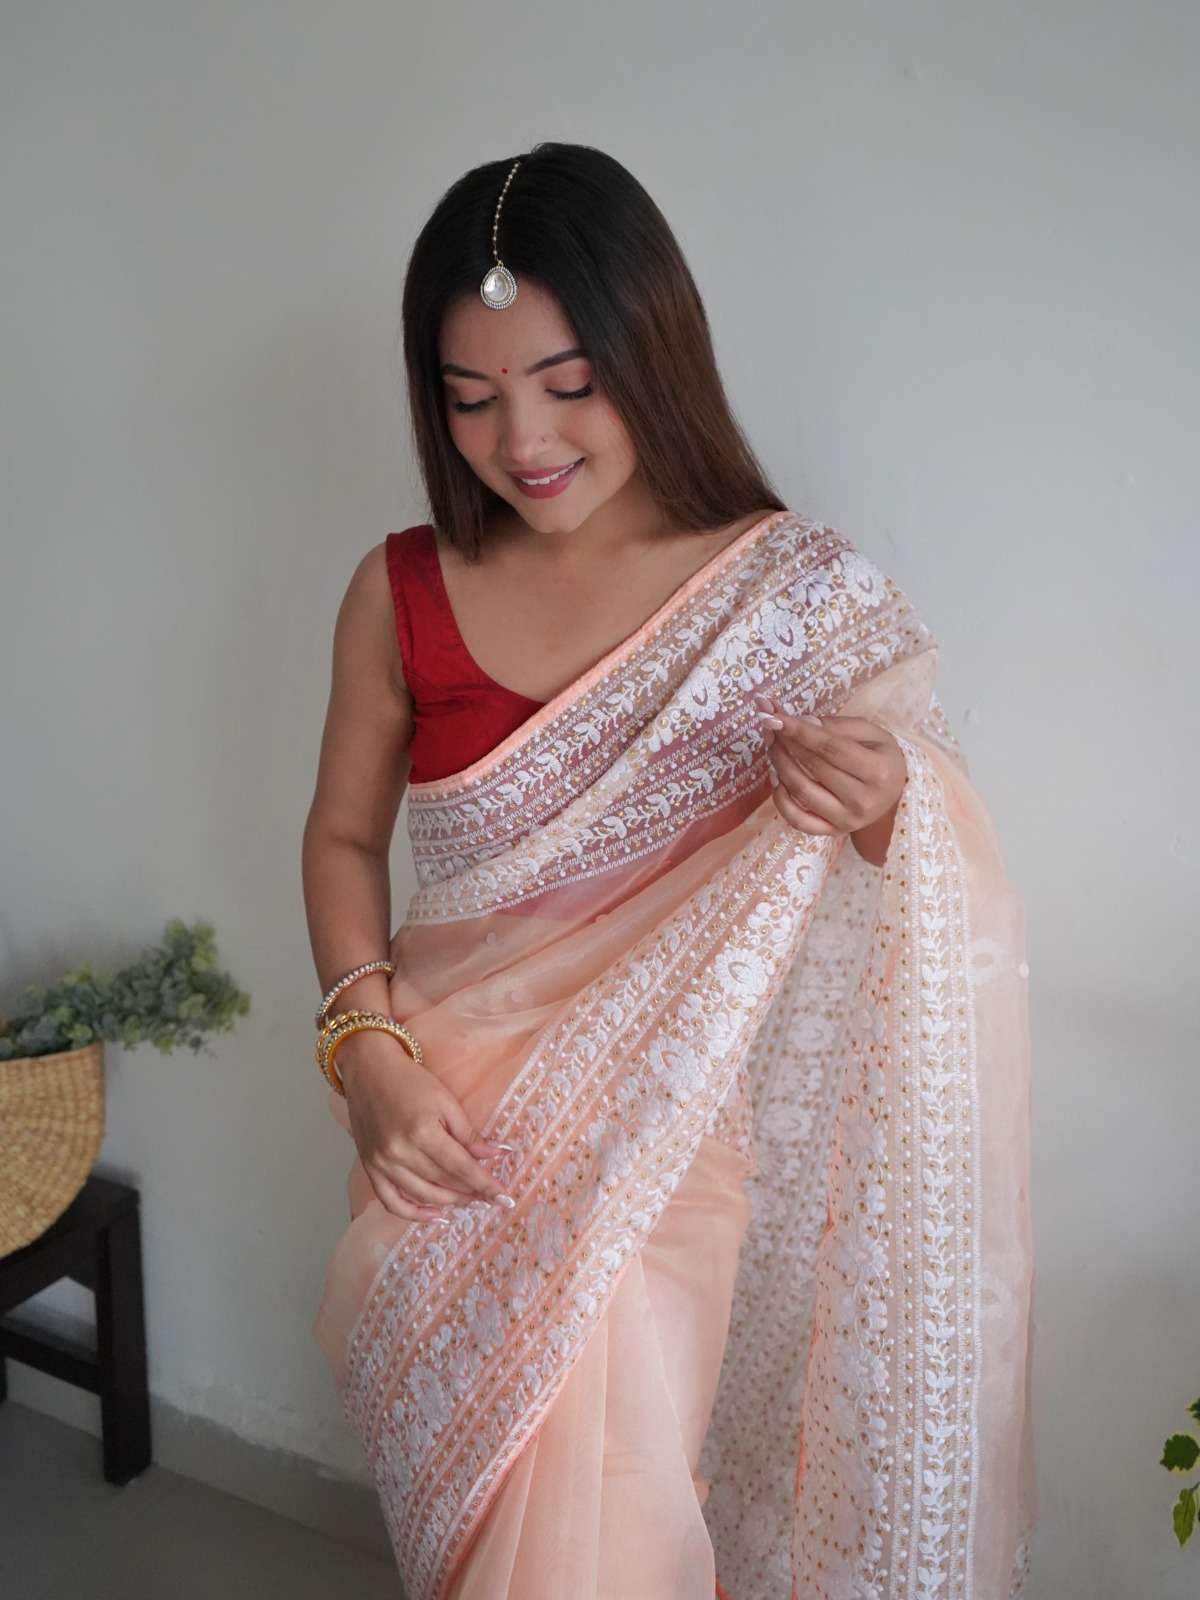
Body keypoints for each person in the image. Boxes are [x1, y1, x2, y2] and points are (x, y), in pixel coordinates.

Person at [303, 141, 1036, 1600]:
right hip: (432, 1121)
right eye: (471, 398)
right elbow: (340, 838)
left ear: (653, 351)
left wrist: (887, 800)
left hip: (657, 1146)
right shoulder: (398, 590)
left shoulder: (787, 598)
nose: (523, 440)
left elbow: (919, 860)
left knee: (614, 1531)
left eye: (568, 382)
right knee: (470, 1535)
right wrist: (363, 1051)